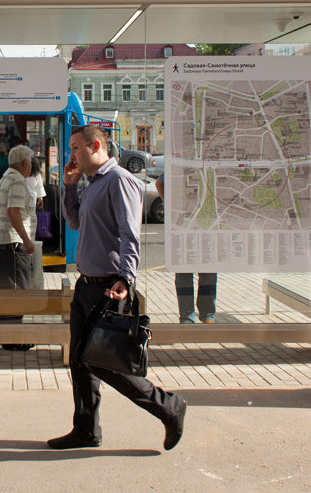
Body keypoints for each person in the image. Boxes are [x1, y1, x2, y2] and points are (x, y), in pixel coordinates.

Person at [47, 125, 187, 451]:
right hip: (86, 286)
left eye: (75, 149)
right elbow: (74, 222)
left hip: (109, 288)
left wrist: (126, 279)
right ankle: (85, 429)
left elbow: (129, 235)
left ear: (96, 145)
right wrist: (70, 187)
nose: (72, 156)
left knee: (103, 362)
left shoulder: (119, 180)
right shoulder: (93, 183)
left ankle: (168, 407)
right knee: (80, 361)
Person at [0, 145, 36, 351]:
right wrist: (27, 240)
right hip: (12, 243)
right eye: (31, 161)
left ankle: (6, 335)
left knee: (5, 290)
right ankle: (13, 338)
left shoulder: (6, 177)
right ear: (25, 163)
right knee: (17, 291)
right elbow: (14, 211)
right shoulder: (17, 180)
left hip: (1, 241)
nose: (32, 165)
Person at [155, 174, 217, 324]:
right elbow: (159, 183)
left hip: (200, 226)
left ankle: (190, 317)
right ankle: (203, 316)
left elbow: (159, 183)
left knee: (196, 275)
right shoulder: (182, 167)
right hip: (191, 226)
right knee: (200, 274)